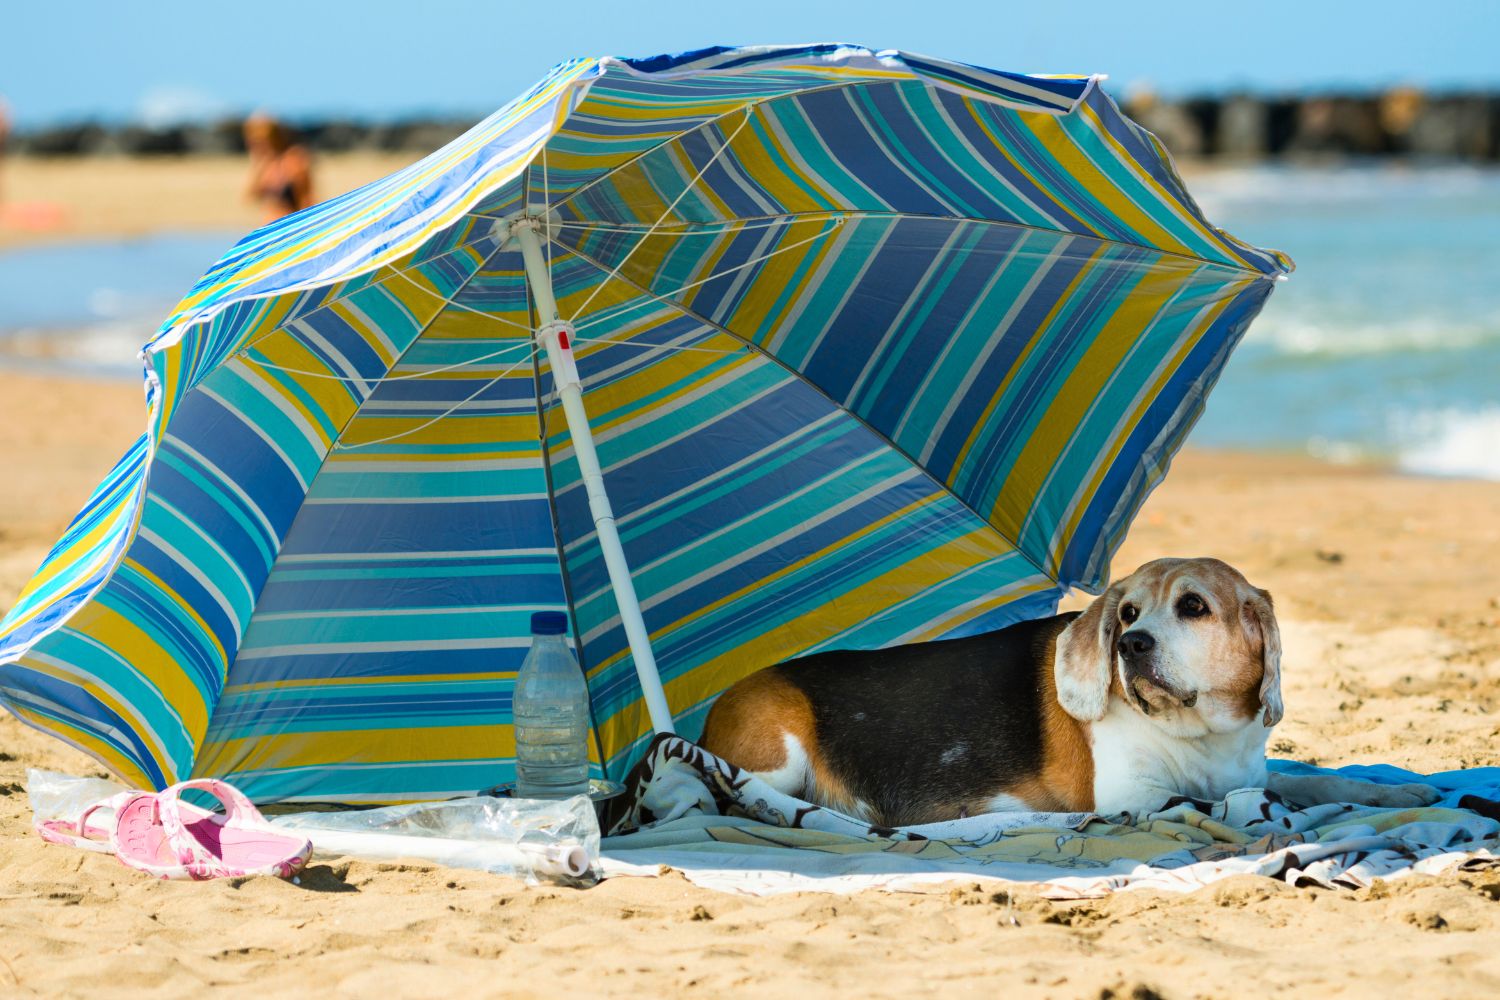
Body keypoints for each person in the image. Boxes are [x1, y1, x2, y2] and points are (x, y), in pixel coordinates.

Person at [243, 112, 313, 222]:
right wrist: (257, 163)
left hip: (291, 226)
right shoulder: (267, 164)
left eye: (259, 142)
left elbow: (307, 199)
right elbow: (252, 196)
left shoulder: (294, 160)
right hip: (272, 228)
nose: (256, 147)